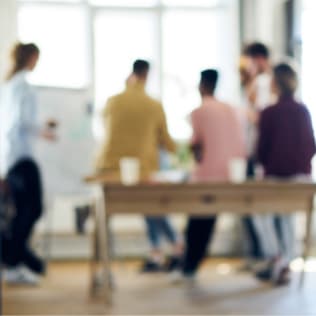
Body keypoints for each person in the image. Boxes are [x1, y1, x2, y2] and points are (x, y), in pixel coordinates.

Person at [95, 59, 183, 272]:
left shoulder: (113, 101)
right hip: (143, 170)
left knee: (147, 210)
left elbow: (106, 126)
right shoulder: (153, 104)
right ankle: (176, 247)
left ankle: (158, 252)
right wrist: (180, 154)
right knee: (153, 207)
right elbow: (167, 143)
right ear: (147, 75)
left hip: (109, 171)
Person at [174, 69, 245, 282]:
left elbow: (196, 147)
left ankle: (189, 266)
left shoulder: (199, 112)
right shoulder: (232, 109)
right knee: (205, 221)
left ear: (202, 85)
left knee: (197, 222)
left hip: (206, 176)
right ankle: (190, 264)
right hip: (232, 175)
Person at [253, 63, 316, 285]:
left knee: (259, 212)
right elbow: (311, 146)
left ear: (275, 83)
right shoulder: (303, 110)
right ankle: (285, 260)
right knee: (287, 217)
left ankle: (276, 257)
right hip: (301, 179)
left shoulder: (269, 113)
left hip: (277, 177)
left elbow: (261, 150)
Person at [0, 42, 57, 285]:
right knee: (30, 210)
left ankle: (15, 261)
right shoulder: (22, 85)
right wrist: (44, 130)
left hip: (13, 157)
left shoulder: (10, 85)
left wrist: (40, 126)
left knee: (24, 211)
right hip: (21, 157)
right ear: (32, 57)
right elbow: (22, 121)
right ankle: (13, 263)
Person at [240, 43, 274, 263]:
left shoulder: (262, 83)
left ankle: (265, 256)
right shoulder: (261, 83)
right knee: (253, 206)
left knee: (256, 207)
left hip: (259, 154)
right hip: (257, 152)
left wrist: (243, 112)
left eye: (249, 62)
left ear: (258, 60)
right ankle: (263, 256)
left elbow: (261, 117)